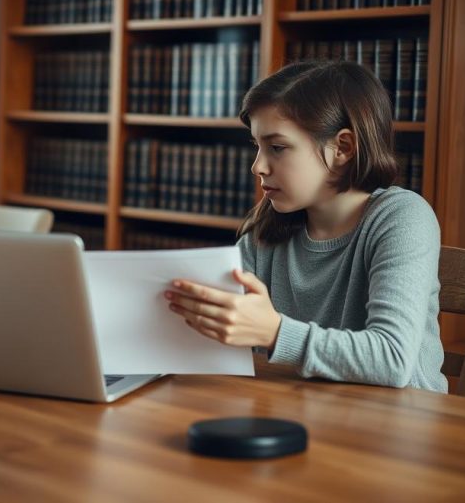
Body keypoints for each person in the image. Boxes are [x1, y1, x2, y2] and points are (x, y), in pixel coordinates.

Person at [165, 60, 446, 392]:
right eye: (257, 146)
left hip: (398, 425)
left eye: (278, 148)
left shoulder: (402, 216)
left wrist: (273, 332)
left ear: (342, 147)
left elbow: (393, 359)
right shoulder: (266, 227)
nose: (258, 166)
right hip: (303, 410)